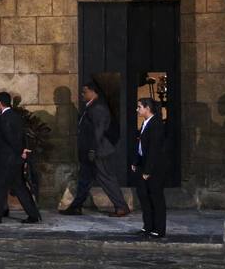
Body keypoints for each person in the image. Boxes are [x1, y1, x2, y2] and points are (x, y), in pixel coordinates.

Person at [61, 82, 130, 217]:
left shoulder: (97, 107)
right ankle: (76, 206)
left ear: (94, 92)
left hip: (99, 151)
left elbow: (98, 131)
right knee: (84, 178)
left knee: (106, 178)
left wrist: (93, 150)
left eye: (84, 92)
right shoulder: (90, 107)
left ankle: (121, 207)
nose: (82, 94)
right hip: (90, 151)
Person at [0, 91, 41, 224]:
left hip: (7, 160)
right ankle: (34, 215)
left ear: (0, 103)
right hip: (15, 160)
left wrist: (21, 150)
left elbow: (10, 138)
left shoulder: (5, 117)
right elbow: (21, 136)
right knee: (20, 187)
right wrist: (23, 151)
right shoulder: (16, 116)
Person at [130, 98, 169, 238]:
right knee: (144, 197)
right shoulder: (145, 123)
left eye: (139, 107)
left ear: (147, 108)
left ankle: (158, 229)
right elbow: (141, 145)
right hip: (143, 164)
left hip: (154, 168)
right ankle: (148, 226)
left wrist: (148, 170)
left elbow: (154, 150)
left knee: (155, 197)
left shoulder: (156, 124)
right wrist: (136, 161)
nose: (137, 109)